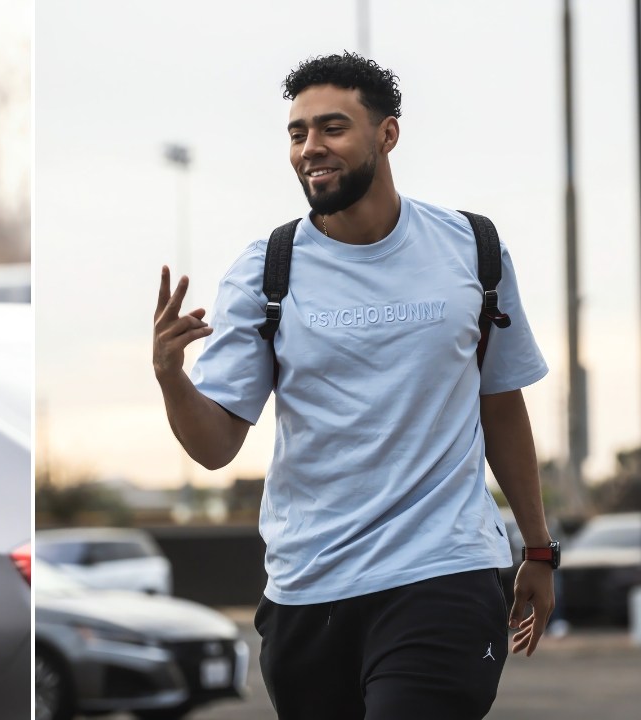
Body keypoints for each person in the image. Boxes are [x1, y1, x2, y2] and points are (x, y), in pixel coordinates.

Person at [152, 52, 555, 719]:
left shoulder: (472, 250)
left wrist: (538, 550)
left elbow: (501, 404)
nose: (311, 148)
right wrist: (171, 379)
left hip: (444, 569)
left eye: (332, 128)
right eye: (297, 133)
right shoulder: (265, 271)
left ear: (387, 135)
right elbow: (216, 445)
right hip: (308, 590)